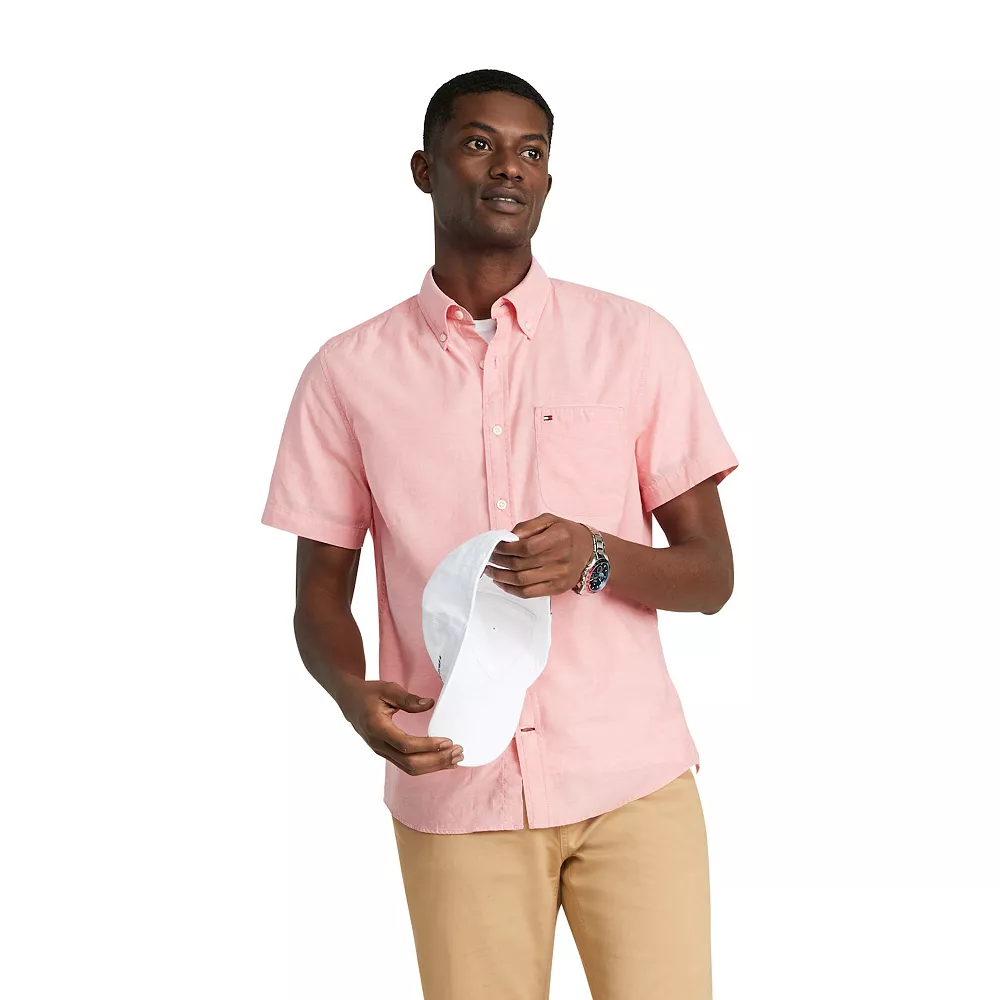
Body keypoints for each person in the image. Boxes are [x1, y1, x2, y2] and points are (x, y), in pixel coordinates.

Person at [261, 68, 739, 1000]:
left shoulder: (636, 342)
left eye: (531, 151)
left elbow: (712, 575)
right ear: (425, 168)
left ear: (549, 179)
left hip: (631, 781)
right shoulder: (346, 374)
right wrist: (351, 695)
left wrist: (597, 556)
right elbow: (319, 596)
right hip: (456, 783)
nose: (508, 167)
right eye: (479, 143)